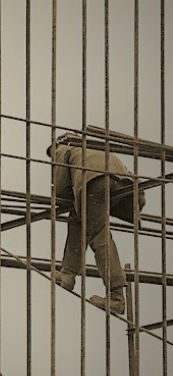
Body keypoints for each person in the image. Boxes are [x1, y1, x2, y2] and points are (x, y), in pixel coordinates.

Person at [48, 134, 145, 315]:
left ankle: (116, 296)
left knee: (99, 235)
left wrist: (62, 195)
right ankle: (68, 273)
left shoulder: (62, 148)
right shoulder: (95, 148)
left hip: (95, 182)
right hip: (125, 189)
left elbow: (61, 192)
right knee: (77, 219)